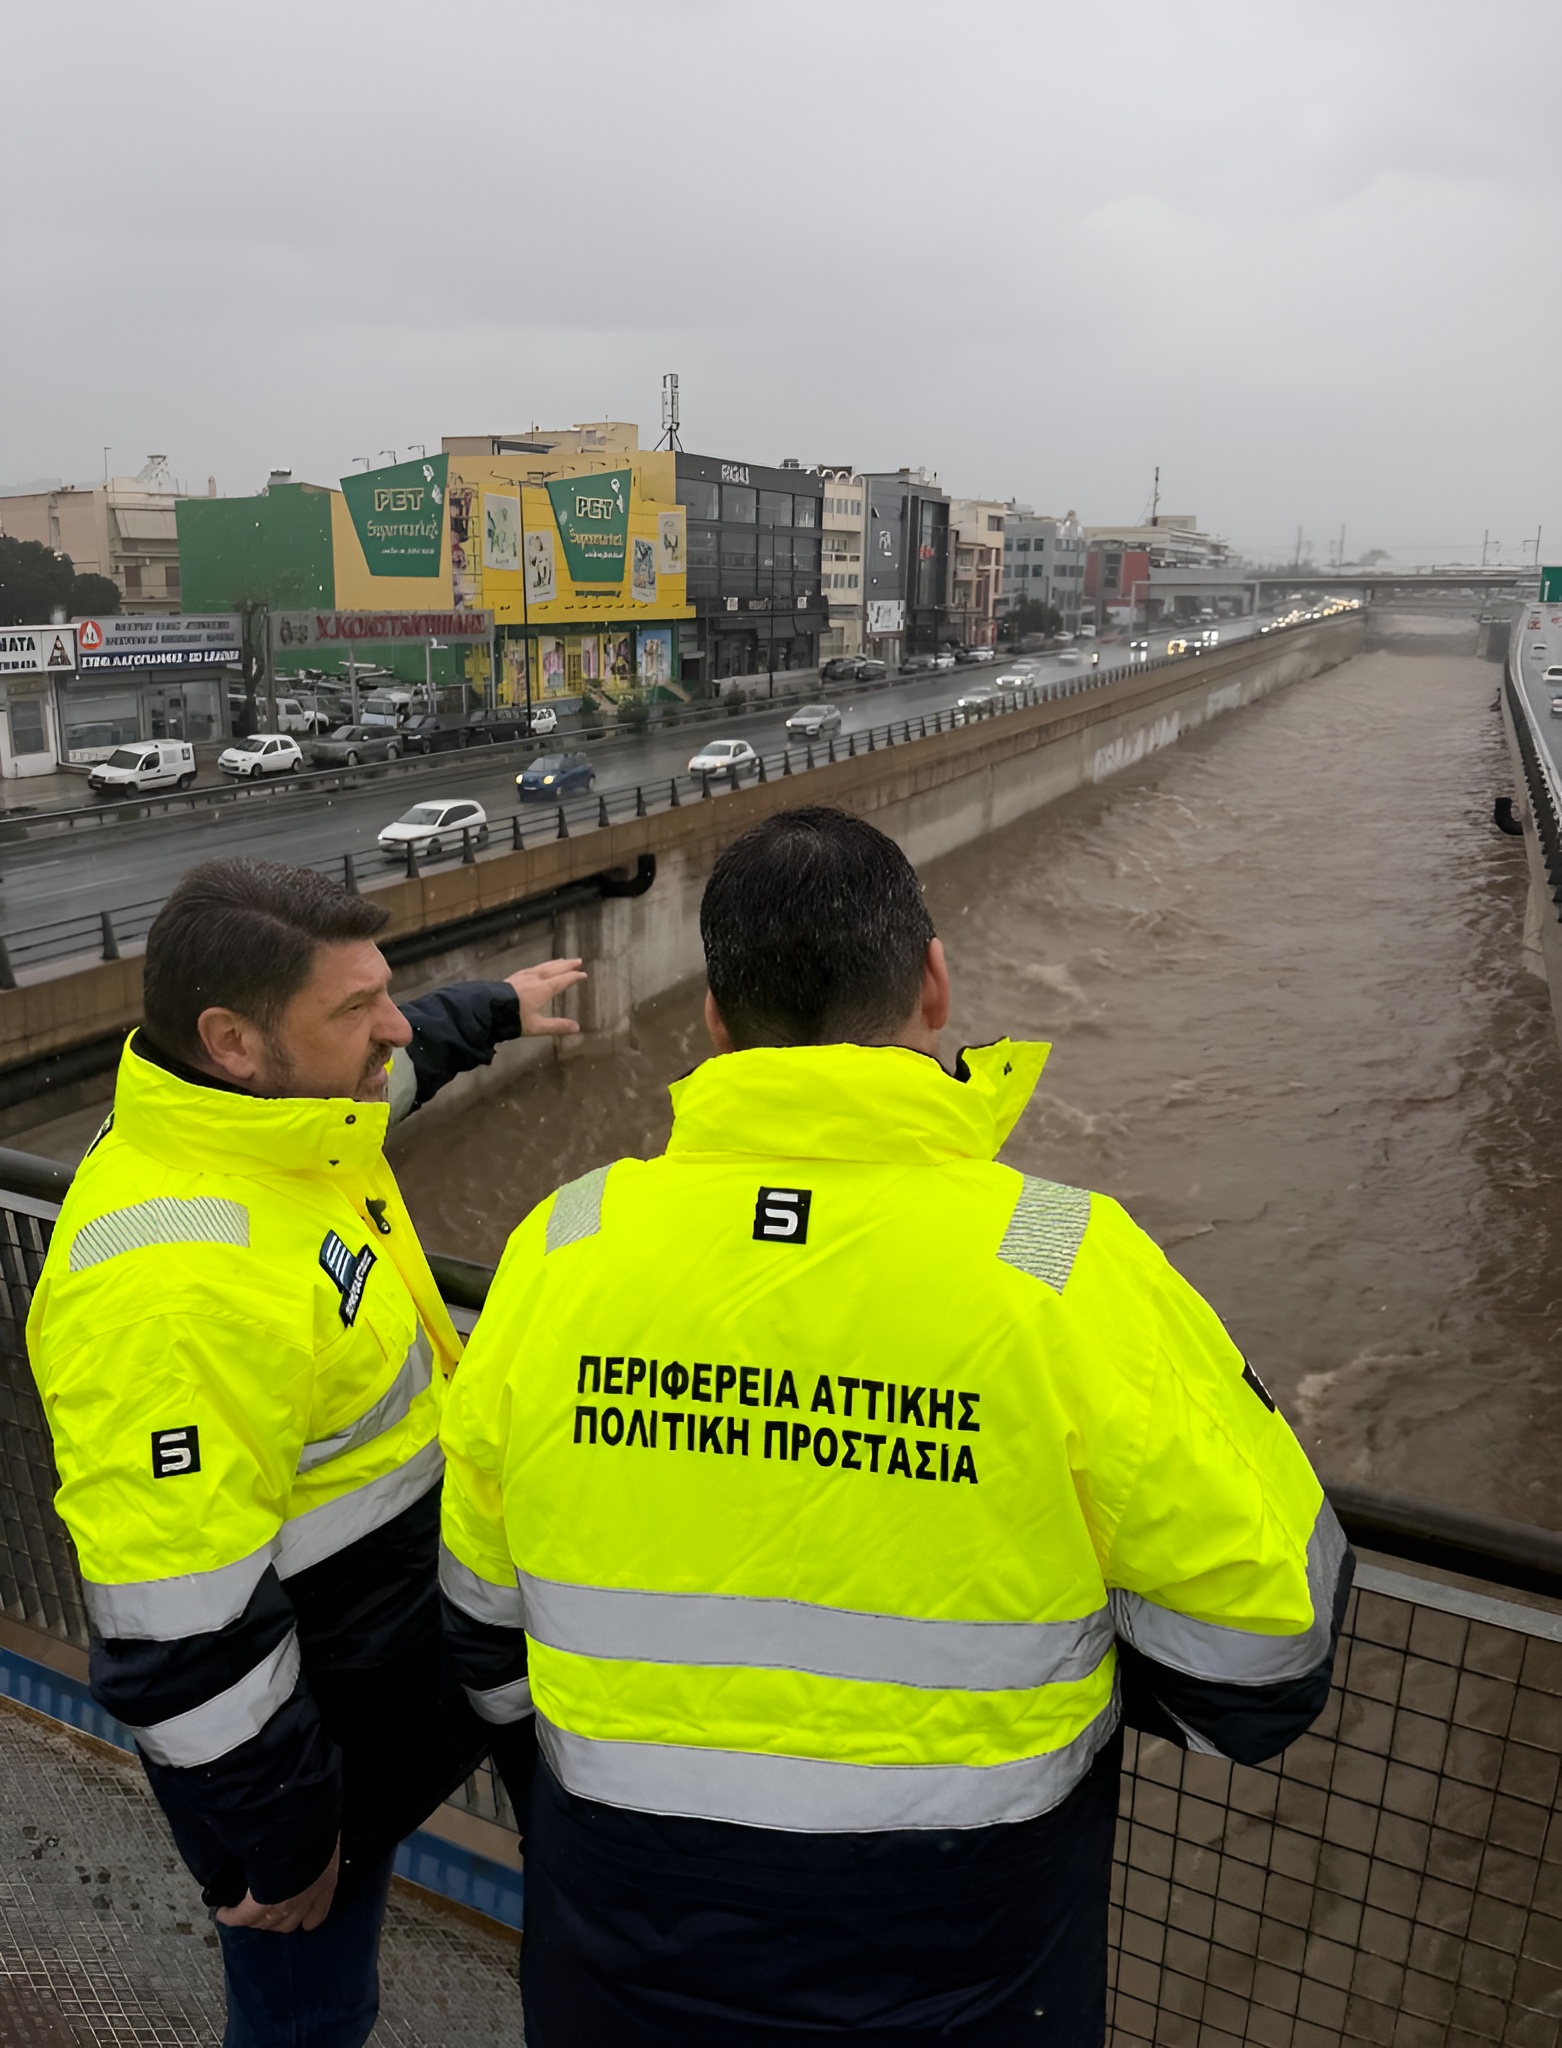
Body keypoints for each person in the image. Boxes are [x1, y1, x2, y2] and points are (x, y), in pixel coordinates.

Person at [438, 805, 1352, 2046]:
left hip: (620, 1931)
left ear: (712, 1014)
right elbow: (1263, 1660)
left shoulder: (563, 1242)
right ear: (933, 985)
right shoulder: (1063, 1258)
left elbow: (483, 1628)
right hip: (962, 1954)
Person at [27, 857, 583, 2048]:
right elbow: (177, 1627)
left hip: (376, 1701)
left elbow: (394, 1065)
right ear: (232, 1040)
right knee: (306, 2017)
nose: (387, 1027)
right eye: (353, 1008)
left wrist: (488, 1006)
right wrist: (287, 1847)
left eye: (383, 992)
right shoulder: (170, 1286)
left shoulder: (289, 1132)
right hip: (300, 1769)